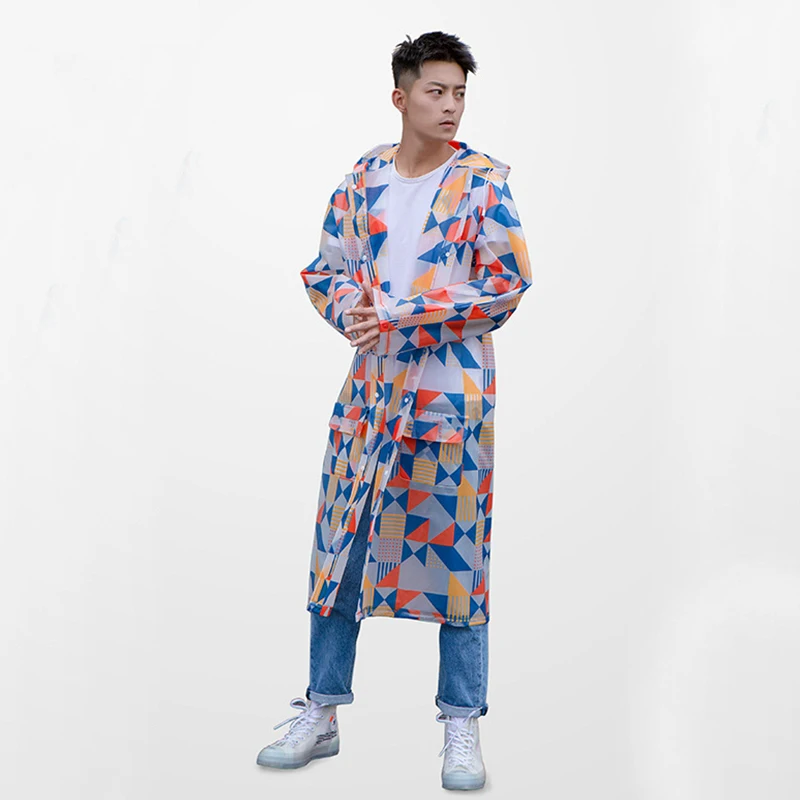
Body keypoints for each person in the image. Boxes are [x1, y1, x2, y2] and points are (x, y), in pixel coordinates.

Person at [256, 30, 532, 791]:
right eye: (436, 91)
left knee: (459, 561)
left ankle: (462, 724)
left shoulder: (483, 184)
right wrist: (351, 309)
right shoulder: (363, 181)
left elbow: (506, 283)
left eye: (460, 93)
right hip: (370, 394)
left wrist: (403, 314)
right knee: (339, 548)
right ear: (400, 96)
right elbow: (324, 271)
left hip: (449, 396)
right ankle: (321, 711)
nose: (450, 107)